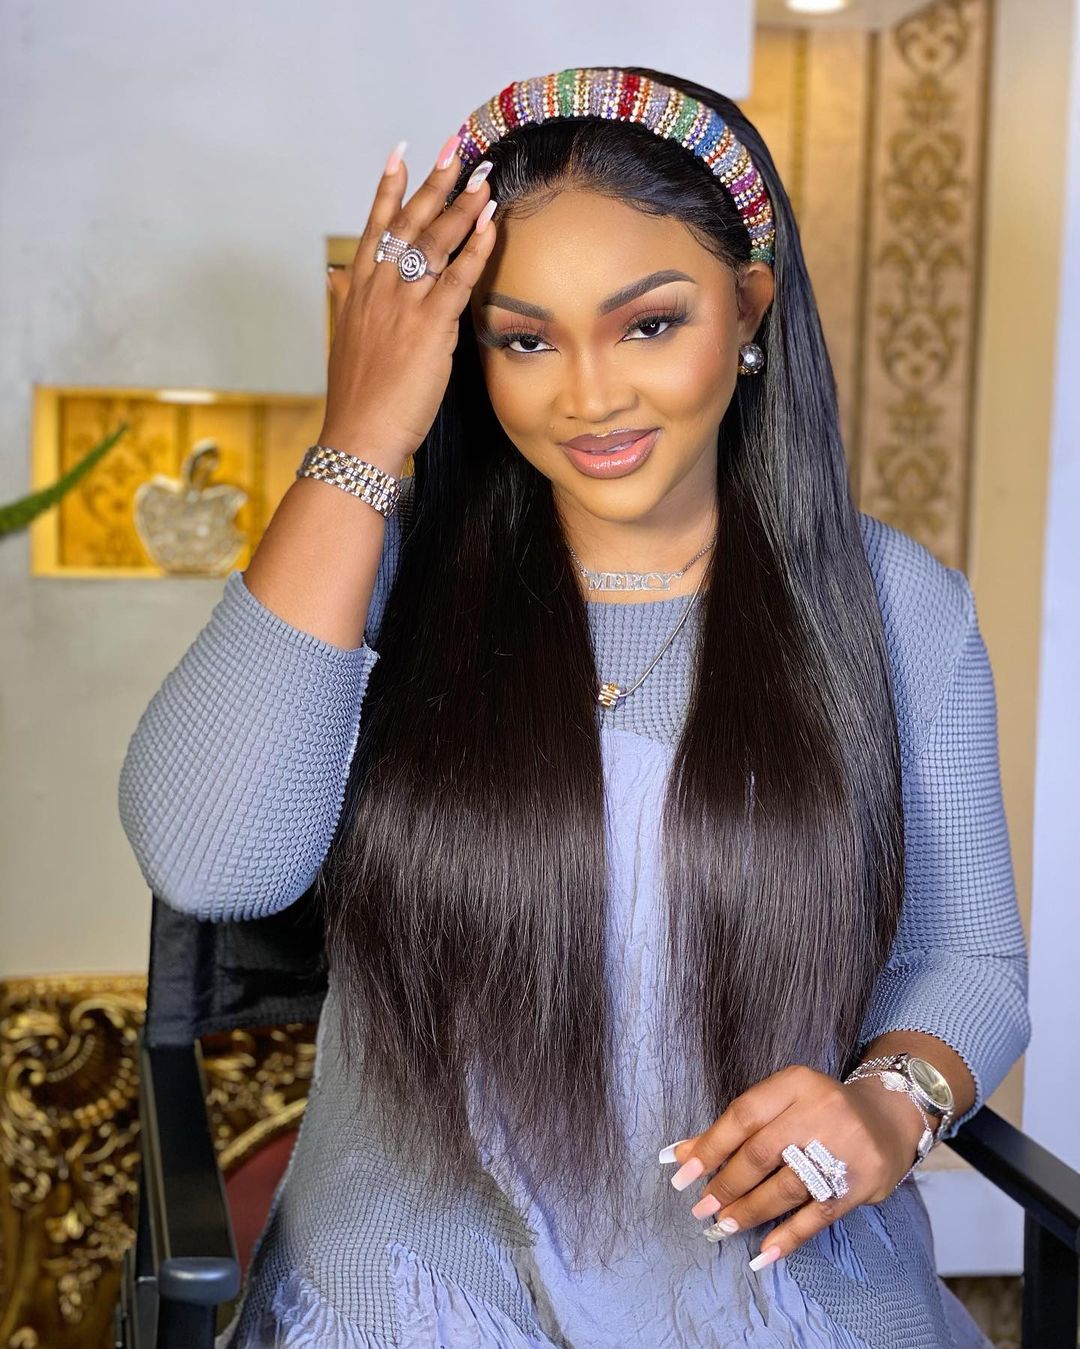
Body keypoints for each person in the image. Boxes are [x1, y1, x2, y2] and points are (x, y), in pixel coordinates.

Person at [118, 65, 1031, 1349]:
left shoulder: (893, 604)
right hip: (416, 1295)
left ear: (748, 304)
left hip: (778, 1289)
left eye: (647, 324)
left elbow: (969, 956)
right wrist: (362, 435)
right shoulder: (374, 569)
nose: (590, 396)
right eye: (525, 338)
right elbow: (214, 860)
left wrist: (892, 1102)